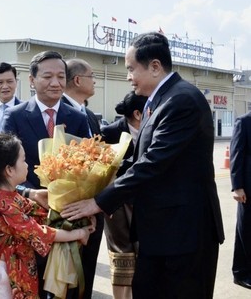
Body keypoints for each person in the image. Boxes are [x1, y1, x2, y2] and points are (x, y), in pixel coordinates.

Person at [62, 32, 225, 298]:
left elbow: (153, 163)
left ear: (155, 66)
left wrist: (100, 201)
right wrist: (94, 177)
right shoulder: (159, 100)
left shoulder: (181, 100)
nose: (128, 76)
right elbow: (139, 160)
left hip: (184, 234)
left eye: (130, 69)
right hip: (162, 233)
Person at [1, 50, 90, 296]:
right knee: (33, 285)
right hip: (27, 215)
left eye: (61, 76)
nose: (55, 82)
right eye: (48, 76)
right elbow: (2, 169)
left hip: (67, 216)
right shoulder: (15, 116)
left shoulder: (78, 118)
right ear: (32, 80)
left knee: (66, 286)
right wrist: (30, 193)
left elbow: (87, 167)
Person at [0, 133, 93, 298]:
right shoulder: (2, 204)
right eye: (23, 160)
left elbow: (42, 214)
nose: (27, 165)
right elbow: (39, 232)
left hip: (15, 266)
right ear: (9, 170)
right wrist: (78, 233)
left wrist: (78, 214)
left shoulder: (9, 196)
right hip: (3, 273)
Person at [61, 58, 103, 298]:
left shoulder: (89, 114)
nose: (95, 80)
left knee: (86, 274)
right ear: (78, 80)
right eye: (92, 75)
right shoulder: (59, 113)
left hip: (93, 209)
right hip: (67, 211)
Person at [99, 91, 147, 299]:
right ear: (138, 114)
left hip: (145, 205)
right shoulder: (108, 134)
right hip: (116, 206)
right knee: (122, 256)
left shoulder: (154, 131)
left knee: (143, 256)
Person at [230, 110, 251, 289]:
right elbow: (236, 154)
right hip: (248, 188)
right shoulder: (244, 121)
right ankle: (242, 273)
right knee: (246, 230)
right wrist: (237, 186)